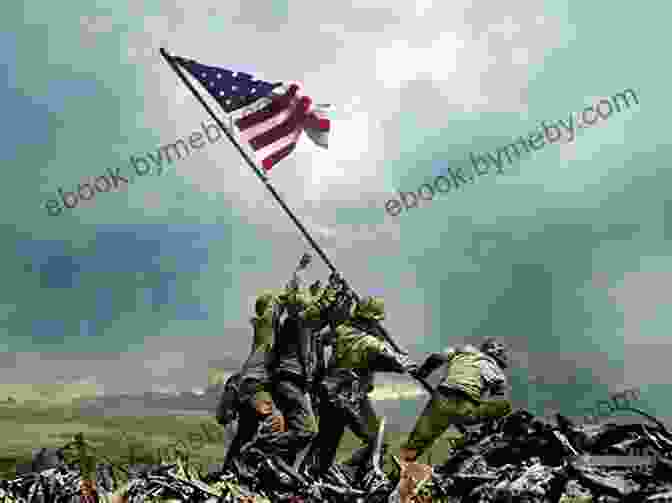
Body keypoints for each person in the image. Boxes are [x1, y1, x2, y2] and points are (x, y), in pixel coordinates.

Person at [305, 295, 419, 480]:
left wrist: (319, 367)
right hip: (349, 399)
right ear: (372, 321)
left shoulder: (341, 330)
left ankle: (315, 478)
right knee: (377, 443)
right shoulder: (371, 343)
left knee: (327, 446)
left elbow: (319, 339)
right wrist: (405, 359)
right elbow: (399, 364)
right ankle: (356, 478)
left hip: (328, 394)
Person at [399, 338, 513, 463]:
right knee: (504, 405)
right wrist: (490, 424)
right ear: (496, 353)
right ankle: (483, 433)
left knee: (419, 438)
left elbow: (437, 357)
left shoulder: (464, 350)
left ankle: (405, 462)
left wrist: (423, 372)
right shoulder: (498, 373)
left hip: (442, 398)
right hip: (465, 409)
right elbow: (497, 399)